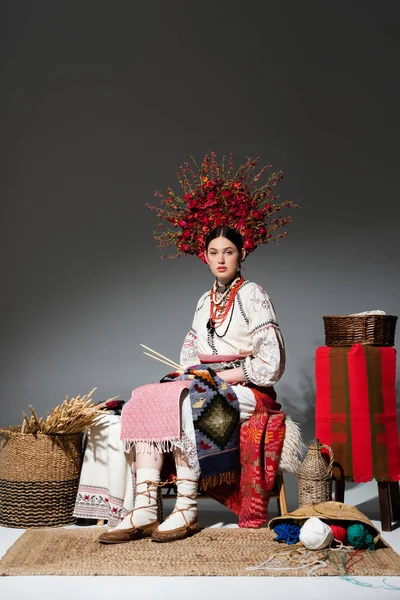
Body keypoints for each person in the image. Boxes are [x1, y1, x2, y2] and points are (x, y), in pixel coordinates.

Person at [98, 225, 285, 544]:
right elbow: (188, 356)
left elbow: (271, 363)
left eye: (228, 252)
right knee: (148, 396)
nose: (221, 259)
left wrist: (218, 375)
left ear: (241, 254)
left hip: (249, 389)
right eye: (214, 253)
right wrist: (197, 374)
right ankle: (144, 505)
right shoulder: (204, 300)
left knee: (189, 402)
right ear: (206, 258)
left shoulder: (253, 294)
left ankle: (186, 508)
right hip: (208, 382)